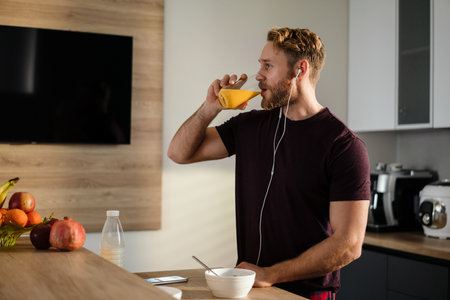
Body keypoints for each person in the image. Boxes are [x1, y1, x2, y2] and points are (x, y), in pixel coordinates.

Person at [168, 27, 370, 300]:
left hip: (307, 295)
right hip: (252, 290)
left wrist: (271, 274)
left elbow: (349, 245)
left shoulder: (343, 146)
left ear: (300, 69)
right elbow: (179, 153)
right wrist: (210, 108)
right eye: (260, 65)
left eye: (268, 66)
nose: (258, 75)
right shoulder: (249, 127)